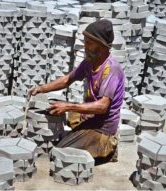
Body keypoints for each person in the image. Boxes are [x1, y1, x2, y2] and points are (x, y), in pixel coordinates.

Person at [30, 19, 125, 162]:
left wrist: (68, 106)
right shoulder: (90, 62)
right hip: (91, 116)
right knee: (53, 107)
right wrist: (41, 89)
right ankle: (83, 132)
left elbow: (102, 106)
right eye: (85, 41)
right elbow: (67, 80)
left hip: (102, 127)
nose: (84, 46)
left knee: (58, 153)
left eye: (89, 42)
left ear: (102, 46)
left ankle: (108, 149)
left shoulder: (111, 69)